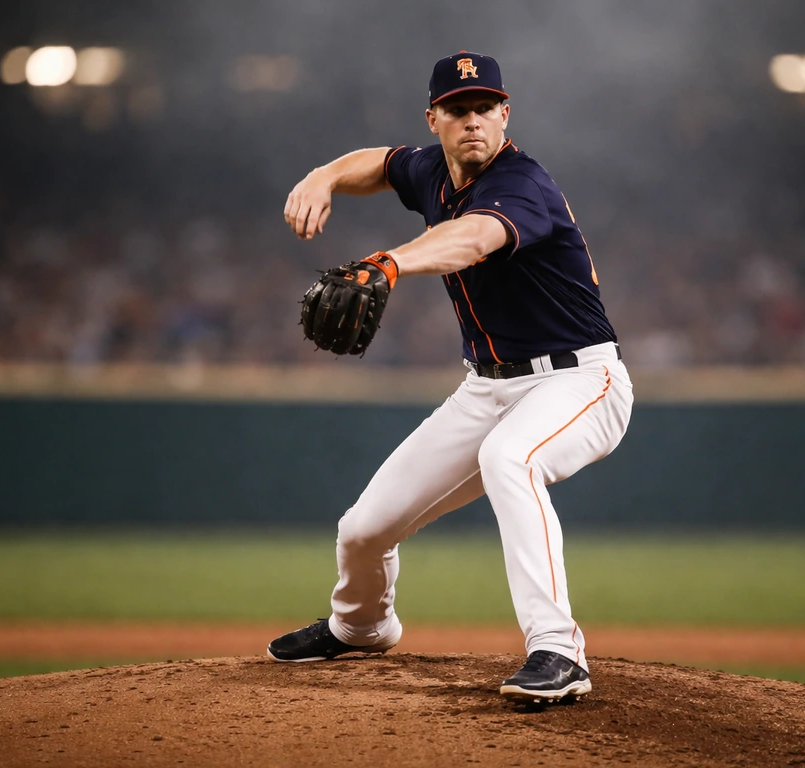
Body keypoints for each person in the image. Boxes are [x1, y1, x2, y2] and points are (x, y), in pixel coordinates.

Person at [268, 51, 634, 704]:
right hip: (486, 386)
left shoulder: (522, 183)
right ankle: (361, 626)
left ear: (505, 114)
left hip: (580, 380)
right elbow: (380, 164)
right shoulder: (430, 168)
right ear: (434, 118)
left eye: (486, 108)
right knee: (363, 530)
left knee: (510, 458)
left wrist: (385, 264)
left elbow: (472, 238)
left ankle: (558, 650)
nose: (473, 121)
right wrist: (325, 175)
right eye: (459, 109)